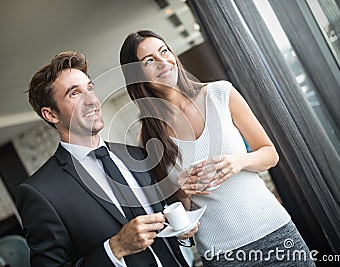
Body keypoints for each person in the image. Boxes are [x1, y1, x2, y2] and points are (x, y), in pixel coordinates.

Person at [119, 30, 315, 266]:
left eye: (164, 51)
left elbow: (269, 154)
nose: (163, 62)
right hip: (221, 253)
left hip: (275, 232)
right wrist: (182, 191)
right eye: (149, 61)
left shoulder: (220, 93)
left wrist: (239, 161)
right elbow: (181, 211)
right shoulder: (149, 136)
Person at [16, 51, 198, 267]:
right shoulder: (39, 193)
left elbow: (164, 223)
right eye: (74, 94)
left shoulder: (136, 155)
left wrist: (182, 222)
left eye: (90, 88)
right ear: (51, 114)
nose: (92, 100)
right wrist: (116, 248)